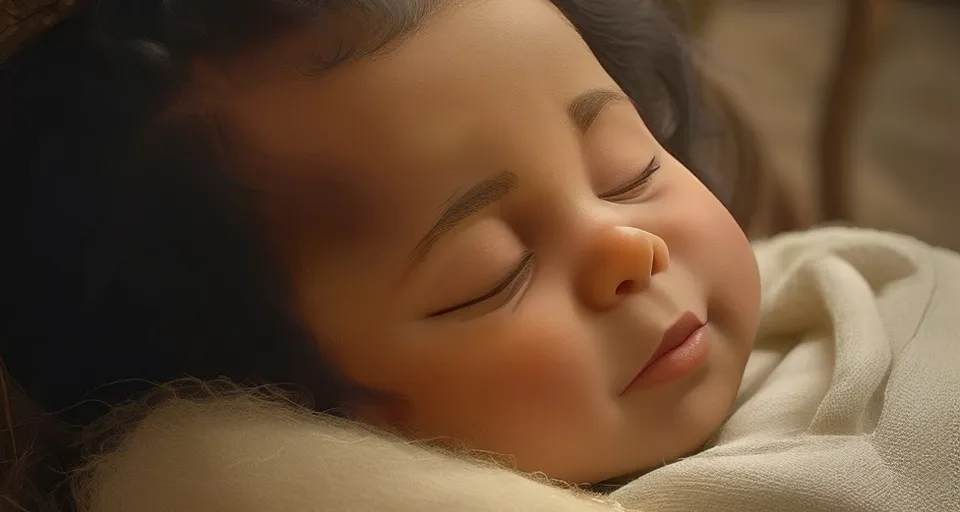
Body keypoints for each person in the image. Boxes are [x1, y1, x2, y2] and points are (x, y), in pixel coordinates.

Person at [2, 1, 957, 511]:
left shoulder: (869, 301)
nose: (629, 248)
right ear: (308, 417)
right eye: (490, 277)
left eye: (627, 168)